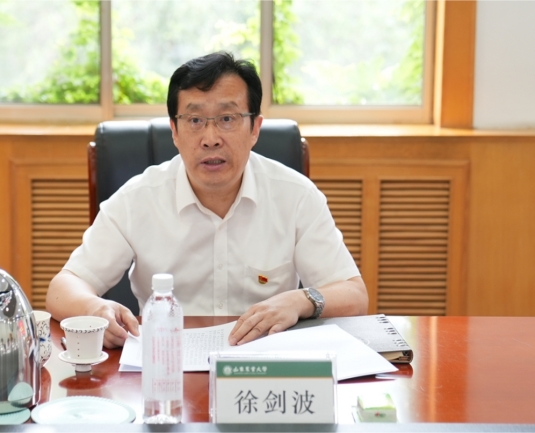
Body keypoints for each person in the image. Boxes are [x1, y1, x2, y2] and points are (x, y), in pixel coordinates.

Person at [46, 52, 368, 349]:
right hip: (165, 366)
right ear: (174, 131)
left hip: (263, 368)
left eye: (227, 119)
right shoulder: (137, 199)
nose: (211, 139)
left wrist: (300, 301)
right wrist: (94, 308)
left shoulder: (296, 196)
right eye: (195, 120)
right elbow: (63, 288)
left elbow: (354, 294)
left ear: (255, 129)